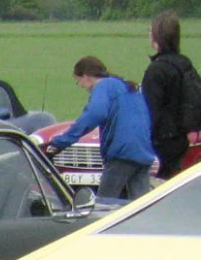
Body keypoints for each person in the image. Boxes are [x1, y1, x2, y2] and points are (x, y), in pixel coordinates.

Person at [46, 56, 157, 201]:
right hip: (143, 151)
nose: (80, 86)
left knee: (103, 204)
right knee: (141, 206)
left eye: (78, 81)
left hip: (122, 154)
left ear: (85, 76)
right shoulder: (127, 87)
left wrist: (62, 141)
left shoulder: (104, 86)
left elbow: (94, 113)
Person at [141, 11, 200, 181]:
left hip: (161, 143)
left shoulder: (156, 70)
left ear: (157, 37)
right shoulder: (185, 63)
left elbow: (151, 111)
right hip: (181, 140)